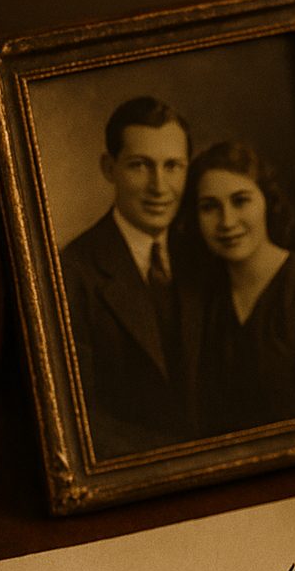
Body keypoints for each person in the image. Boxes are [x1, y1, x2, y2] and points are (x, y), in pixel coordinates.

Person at [179, 141, 295, 436]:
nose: (226, 221)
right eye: (209, 207)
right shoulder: (204, 299)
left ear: (267, 201)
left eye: (240, 201)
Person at [60, 96, 199, 460]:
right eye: (140, 165)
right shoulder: (71, 272)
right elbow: (77, 421)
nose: (159, 186)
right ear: (110, 168)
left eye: (173, 166)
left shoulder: (203, 254)